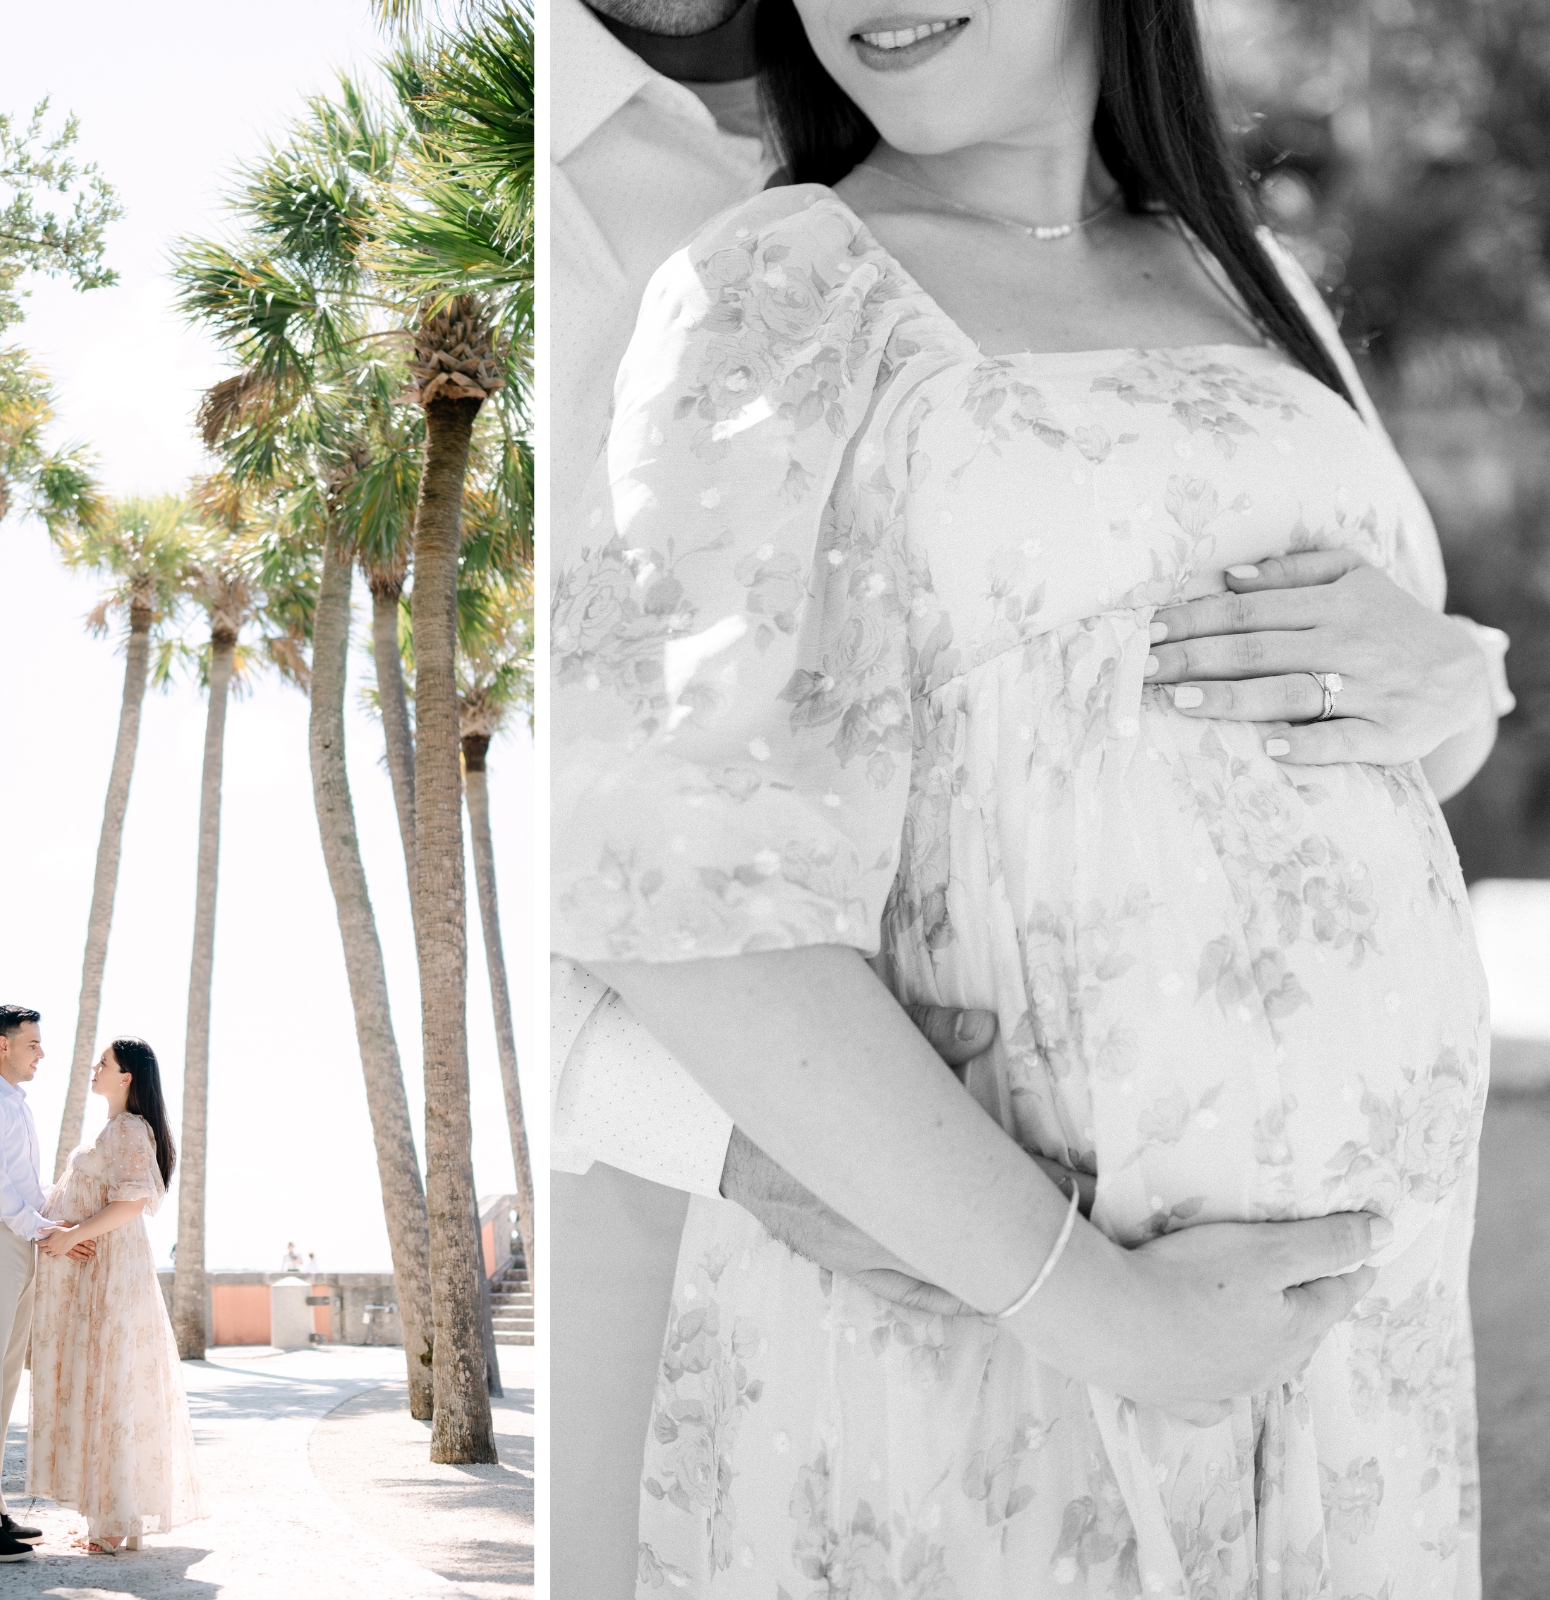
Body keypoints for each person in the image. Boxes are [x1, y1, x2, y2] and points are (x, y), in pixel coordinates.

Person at [550, 0, 1510, 1592]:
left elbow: (1404, 741)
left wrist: (1457, 674)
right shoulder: (774, 286)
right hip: (1012, 1324)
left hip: (1357, 1363)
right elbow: (666, 880)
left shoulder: (1240, 271)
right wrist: (1100, 1310)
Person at [28, 1036, 206, 1554]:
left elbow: (133, 1201)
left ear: (126, 1076)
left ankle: (110, 1526)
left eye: (102, 1063)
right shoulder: (117, 1128)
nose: (94, 1068)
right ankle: (115, 1519)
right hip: (104, 1271)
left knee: (110, 1387)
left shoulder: (128, 1128)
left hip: (110, 1273)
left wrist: (72, 1236)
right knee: (112, 1388)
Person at [0, 1003, 91, 1565]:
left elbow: (24, 1187)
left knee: (0, 1382)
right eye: (32, 1043)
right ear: (2, 1045)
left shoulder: (10, 1105)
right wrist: (48, 1229)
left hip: (11, 1239)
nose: (41, 1053)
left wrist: (52, 1224)